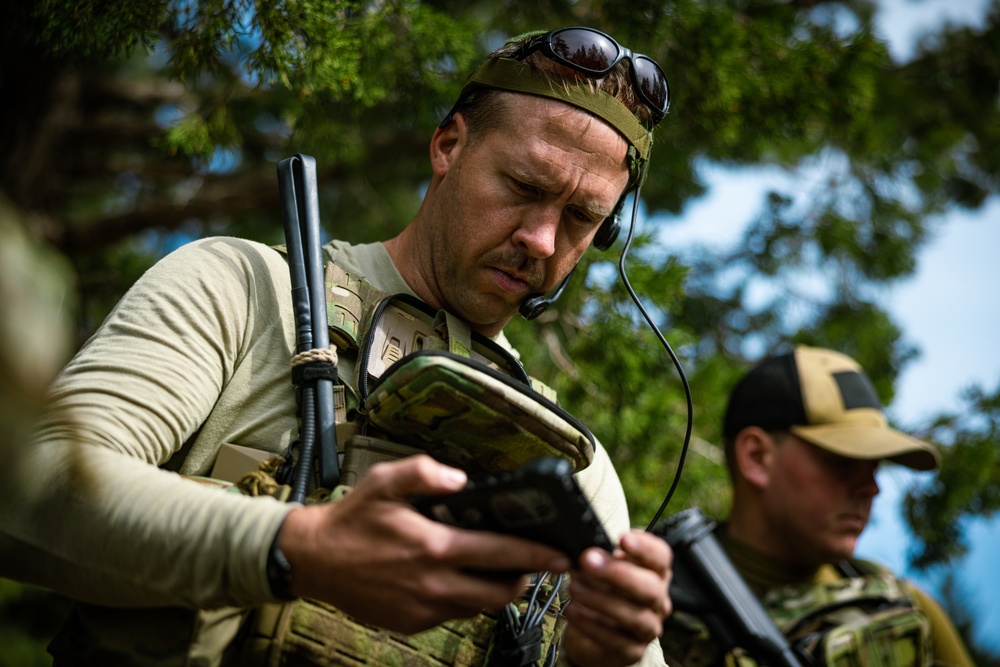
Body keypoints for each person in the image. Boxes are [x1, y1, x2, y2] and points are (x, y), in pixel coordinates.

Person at [0, 26, 675, 667]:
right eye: (524, 187)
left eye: (582, 217)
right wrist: (298, 546)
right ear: (448, 146)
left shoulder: (571, 461)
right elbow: (30, 490)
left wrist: (600, 654)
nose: (542, 238)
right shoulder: (245, 289)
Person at [659, 345, 975, 666]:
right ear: (756, 457)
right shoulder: (647, 606)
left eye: (875, 466)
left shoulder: (906, 606)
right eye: (842, 462)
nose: (871, 488)